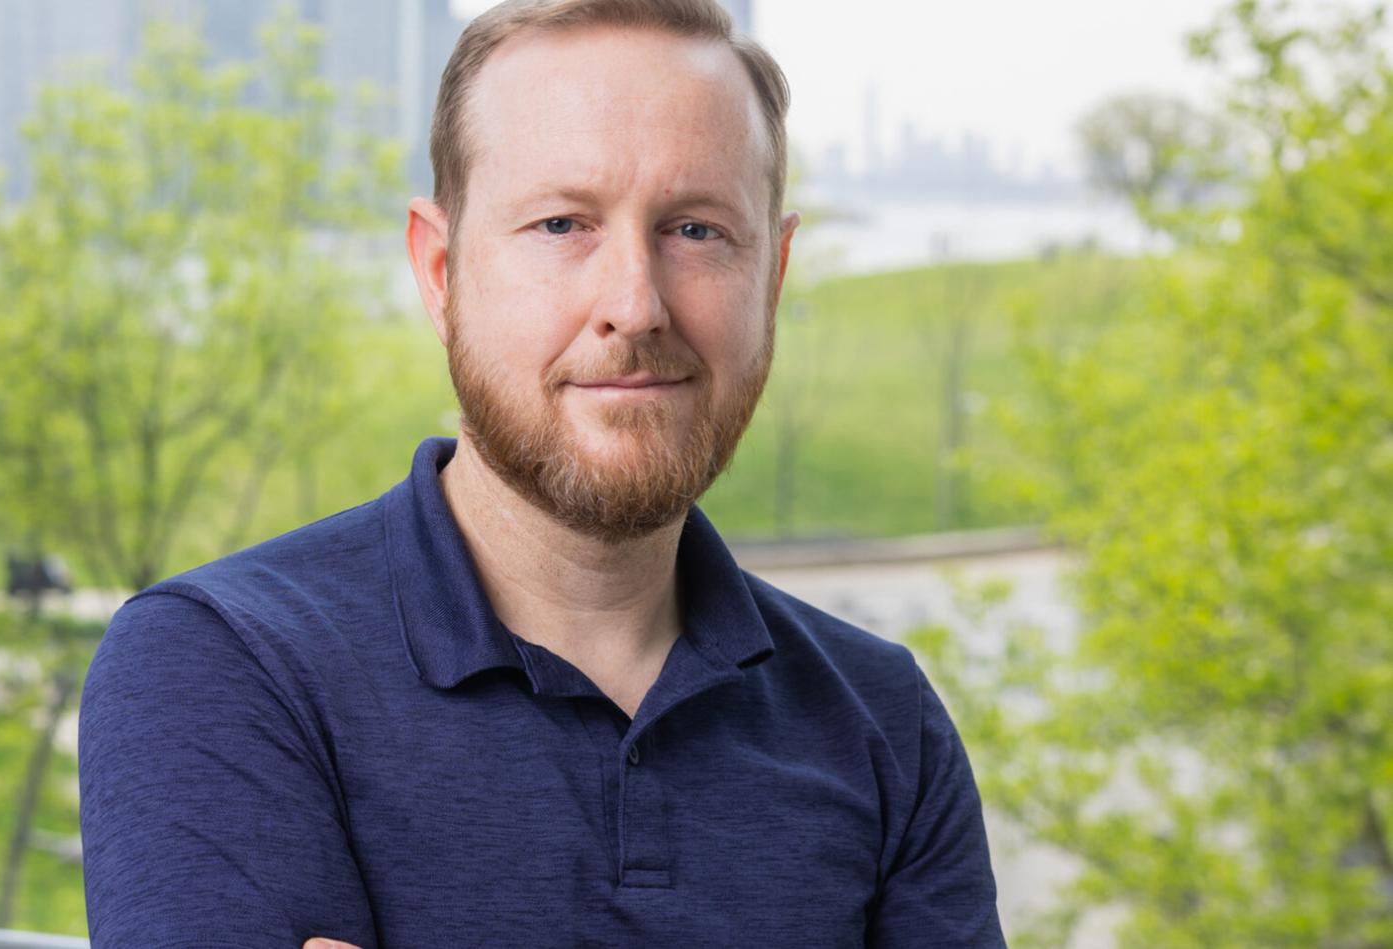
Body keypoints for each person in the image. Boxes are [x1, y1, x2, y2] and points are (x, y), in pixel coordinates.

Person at [78, 0, 1005, 946]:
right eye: (563, 224)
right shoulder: (223, 668)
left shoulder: (887, 721)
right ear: (440, 272)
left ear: (772, 278)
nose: (635, 305)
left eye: (696, 231)